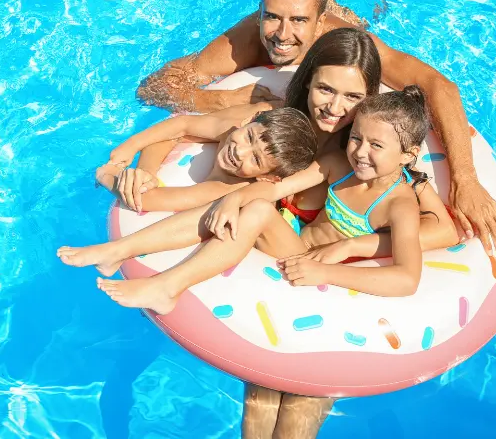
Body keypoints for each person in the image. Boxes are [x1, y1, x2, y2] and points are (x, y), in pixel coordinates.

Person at [113, 29, 457, 439]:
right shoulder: (272, 127)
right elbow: (184, 129)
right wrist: (143, 173)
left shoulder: (381, 164)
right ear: (307, 79)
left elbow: (441, 231)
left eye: (352, 98)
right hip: (280, 258)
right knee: (262, 394)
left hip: (332, 280)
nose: (335, 108)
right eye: (325, 89)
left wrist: (357, 244)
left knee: (299, 400)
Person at [135, 0, 496, 260]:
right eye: (272, 17)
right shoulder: (249, 38)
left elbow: (439, 86)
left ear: (319, 23)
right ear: (260, 10)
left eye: (298, 20)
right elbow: (153, 86)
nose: (281, 36)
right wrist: (220, 99)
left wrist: (465, 179)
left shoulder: (347, 42)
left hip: (354, 17)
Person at [88, 84, 433, 314]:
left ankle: (166, 285)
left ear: (408, 156)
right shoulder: (337, 164)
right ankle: (123, 251)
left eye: (376, 146)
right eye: (356, 138)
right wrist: (232, 199)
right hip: (293, 243)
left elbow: (407, 279)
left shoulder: (399, 204)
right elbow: (272, 189)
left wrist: (325, 271)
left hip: (312, 266)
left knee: (255, 210)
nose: (360, 152)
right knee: (253, 205)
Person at [92, 106, 317, 213]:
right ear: (249, 120)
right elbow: (182, 125)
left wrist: (106, 175)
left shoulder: (226, 189)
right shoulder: (233, 130)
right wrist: (135, 153)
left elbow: (146, 201)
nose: (239, 152)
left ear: (267, 178)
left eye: (255, 160)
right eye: (248, 137)